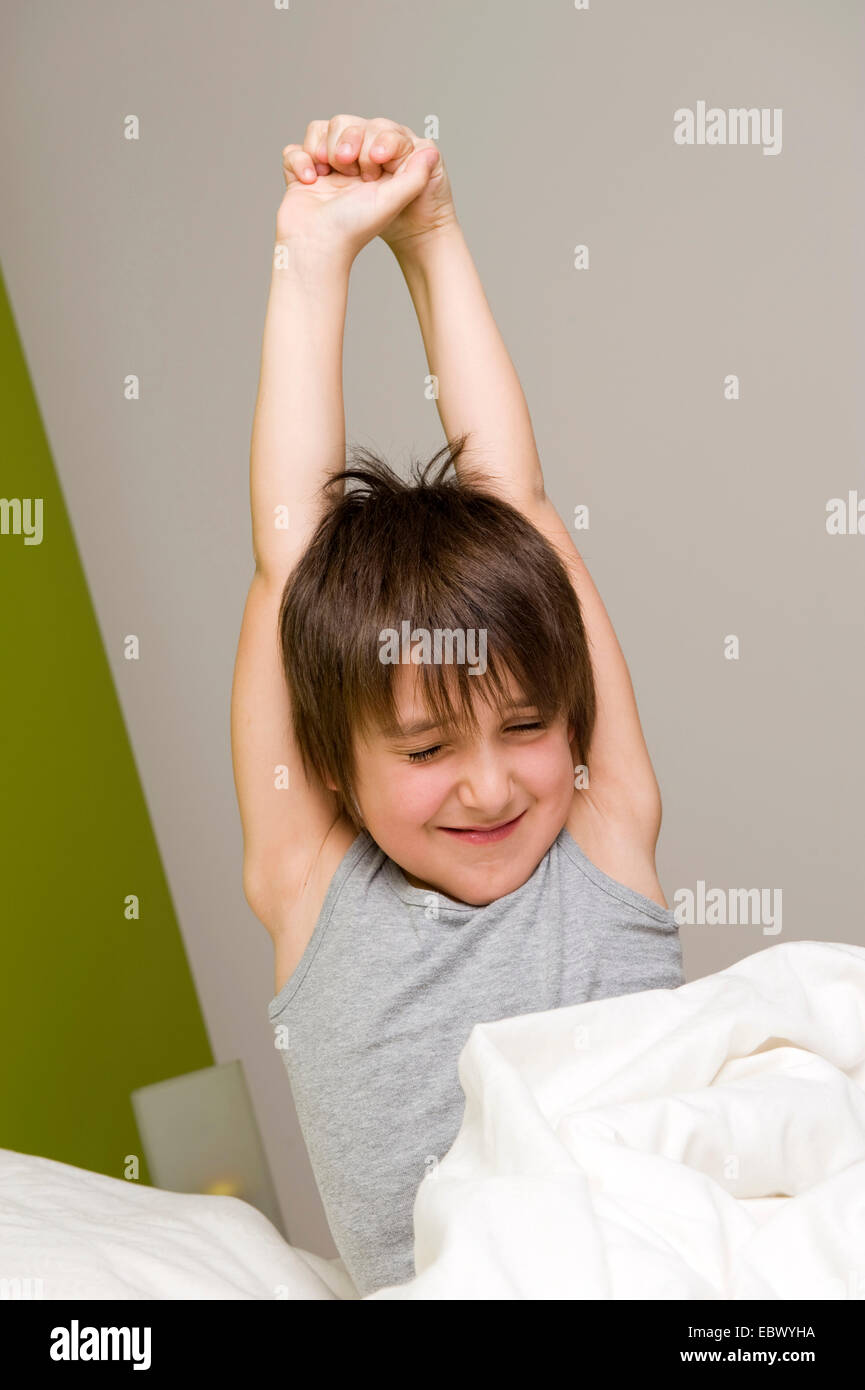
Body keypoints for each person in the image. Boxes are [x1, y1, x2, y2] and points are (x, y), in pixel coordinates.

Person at [230, 114, 684, 1297]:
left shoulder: (601, 833)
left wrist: (431, 235)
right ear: (331, 766)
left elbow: (519, 506)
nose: (492, 781)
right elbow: (290, 556)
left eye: (528, 726)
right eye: (428, 746)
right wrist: (313, 253)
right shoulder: (312, 887)